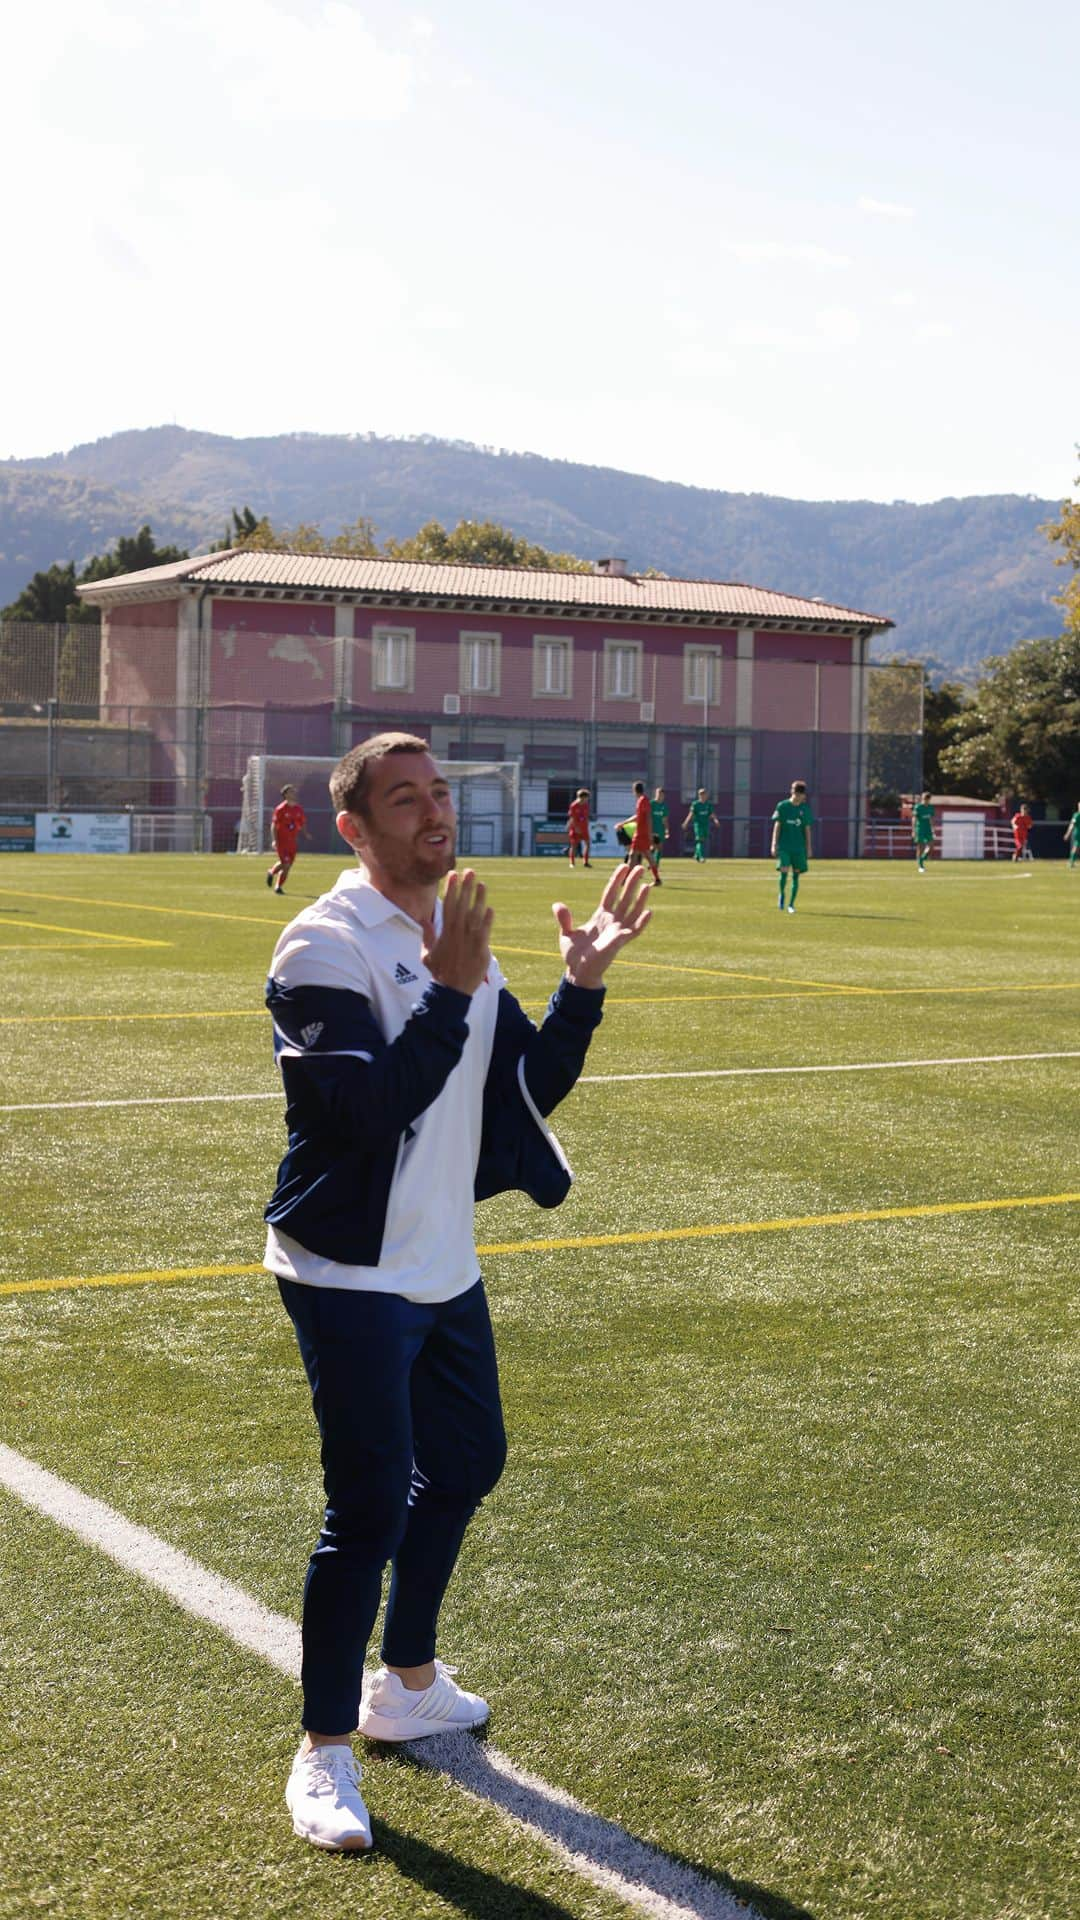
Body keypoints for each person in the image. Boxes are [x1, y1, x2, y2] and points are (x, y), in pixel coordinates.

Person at [264, 731, 652, 1853]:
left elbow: (522, 1089)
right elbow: (355, 1114)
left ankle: (408, 1682)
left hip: (443, 1264)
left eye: (440, 795)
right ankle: (324, 1752)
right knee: (367, 1507)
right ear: (355, 827)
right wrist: (444, 993)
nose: (435, 814)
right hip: (346, 1272)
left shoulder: (456, 933)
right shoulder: (319, 945)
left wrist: (578, 990)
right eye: (405, 800)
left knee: (469, 1462)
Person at [771, 780, 814, 912]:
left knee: (796, 875)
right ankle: (782, 894)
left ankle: (791, 904)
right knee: (784, 871)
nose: (801, 797)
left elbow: (807, 829)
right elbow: (777, 826)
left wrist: (808, 847)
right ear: (794, 793)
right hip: (784, 846)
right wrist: (774, 843)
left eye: (802, 795)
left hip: (798, 848)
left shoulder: (804, 809)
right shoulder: (782, 806)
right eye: (797, 794)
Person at [267, 784, 310, 894]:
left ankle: (271, 872)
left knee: (287, 866)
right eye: (291, 792)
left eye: (294, 791)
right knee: (285, 864)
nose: (293, 793)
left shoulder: (298, 809)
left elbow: (302, 822)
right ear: (285, 794)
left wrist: (305, 833)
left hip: (292, 842)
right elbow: (274, 825)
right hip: (282, 842)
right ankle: (278, 887)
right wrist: (275, 840)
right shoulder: (280, 809)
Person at [627, 779, 660, 884]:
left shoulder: (643, 800)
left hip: (642, 833)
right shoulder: (641, 800)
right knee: (645, 855)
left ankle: (626, 878)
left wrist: (649, 833)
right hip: (641, 832)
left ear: (634, 790)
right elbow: (639, 816)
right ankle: (657, 879)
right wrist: (623, 823)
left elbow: (648, 817)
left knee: (634, 855)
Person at [681, 789, 719, 863]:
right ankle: (701, 857)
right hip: (698, 825)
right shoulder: (695, 804)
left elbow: (712, 814)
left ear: (706, 795)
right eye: (700, 794)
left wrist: (715, 820)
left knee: (702, 840)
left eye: (704, 794)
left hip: (705, 825)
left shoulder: (708, 805)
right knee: (700, 840)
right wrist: (686, 822)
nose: (702, 795)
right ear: (699, 795)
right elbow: (691, 814)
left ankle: (696, 855)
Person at [566, 787, 592, 868]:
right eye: (586, 797)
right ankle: (572, 863)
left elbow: (586, 816)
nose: (587, 799)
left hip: (584, 828)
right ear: (582, 797)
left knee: (587, 844)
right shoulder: (574, 805)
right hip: (575, 828)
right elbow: (572, 818)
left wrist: (587, 824)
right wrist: (575, 827)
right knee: (574, 845)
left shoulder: (586, 805)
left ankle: (585, 862)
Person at [911, 792, 935, 873]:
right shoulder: (918, 807)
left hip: (928, 829)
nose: (925, 801)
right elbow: (914, 819)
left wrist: (933, 829)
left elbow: (931, 819)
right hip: (920, 829)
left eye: (927, 799)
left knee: (931, 846)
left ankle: (921, 859)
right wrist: (913, 830)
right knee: (920, 847)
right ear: (922, 799)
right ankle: (920, 866)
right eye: (924, 799)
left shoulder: (931, 808)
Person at [650, 786, 670, 873]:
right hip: (651, 829)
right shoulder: (651, 804)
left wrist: (666, 830)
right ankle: (652, 862)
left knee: (659, 847)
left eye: (661, 794)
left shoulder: (664, 806)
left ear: (663, 795)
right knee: (651, 847)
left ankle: (655, 864)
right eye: (658, 794)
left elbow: (665, 819)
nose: (659, 796)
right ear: (655, 794)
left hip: (660, 829)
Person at [1065, 802, 1080, 869]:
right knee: (1076, 847)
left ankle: (1071, 862)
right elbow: (1072, 825)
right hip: (1078, 833)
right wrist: (1068, 833)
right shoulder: (1077, 815)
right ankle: (1071, 863)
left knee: (1076, 848)